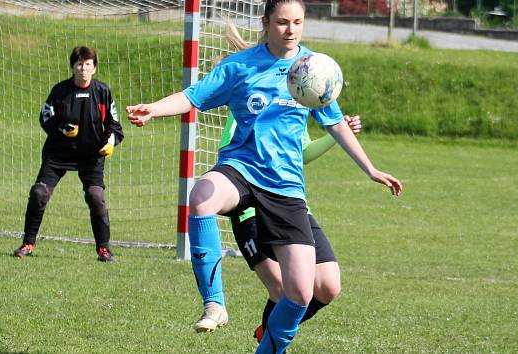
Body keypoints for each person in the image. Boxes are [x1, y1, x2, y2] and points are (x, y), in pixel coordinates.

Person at [127, 0, 402, 351]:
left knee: (301, 293)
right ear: (266, 22)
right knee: (201, 196)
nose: (291, 30)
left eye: (298, 22)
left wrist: (371, 169)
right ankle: (215, 303)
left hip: (285, 186)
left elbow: (334, 122)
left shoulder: (311, 68)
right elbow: (192, 97)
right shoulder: (241, 66)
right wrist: (154, 109)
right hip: (241, 169)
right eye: (283, 22)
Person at [224, 111, 361, 343]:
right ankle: (271, 341)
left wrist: (337, 133)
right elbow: (229, 147)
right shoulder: (249, 86)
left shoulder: (297, 101)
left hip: (291, 207)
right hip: (251, 207)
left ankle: (269, 329)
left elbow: (304, 151)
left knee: (328, 286)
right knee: (283, 289)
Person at [14, 46, 123, 263]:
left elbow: (114, 125)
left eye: (88, 64)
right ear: (72, 67)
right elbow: (46, 117)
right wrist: (62, 128)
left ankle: (104, 249)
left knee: (96, 197)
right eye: (79, 64)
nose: (83, 69)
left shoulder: (102, 92)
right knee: (39, 193)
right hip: (58, 153)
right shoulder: (60, 91)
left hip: (91, 156)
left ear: (94, 68)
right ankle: (28, 243)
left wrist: (110, 142)